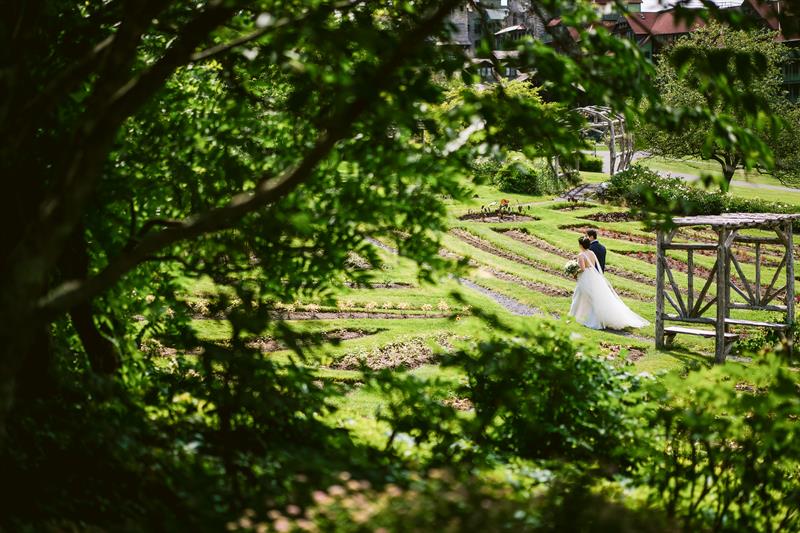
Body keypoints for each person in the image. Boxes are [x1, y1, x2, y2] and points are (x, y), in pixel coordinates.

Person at [569, 237, 649, 330]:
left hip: (586, 277)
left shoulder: (581, 255)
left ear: (581, 245)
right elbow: (592, 265)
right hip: (593, 276)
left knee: (579, 296)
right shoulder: (591, 253)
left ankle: (577, 317)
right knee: (592, 297)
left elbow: (582, 269)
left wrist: (574, 271)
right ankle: (581, 316)